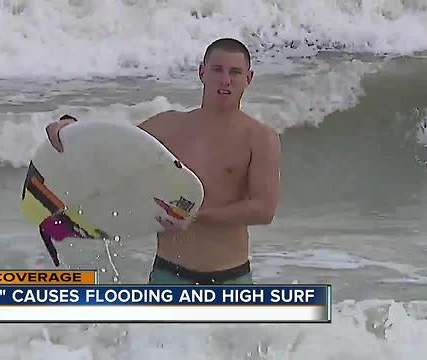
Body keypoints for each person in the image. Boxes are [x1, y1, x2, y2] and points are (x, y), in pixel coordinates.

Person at [45, 38, 281, 285]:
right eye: (217, 70)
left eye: (235, 72)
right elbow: (111, 146)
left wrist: (195, 217)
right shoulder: (168, 126)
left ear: (249, 78)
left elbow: (263, 210)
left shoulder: (260, 138)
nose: (225, 80)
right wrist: (70, 127)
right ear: (202, 71)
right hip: (169, 275)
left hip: (230, 278)